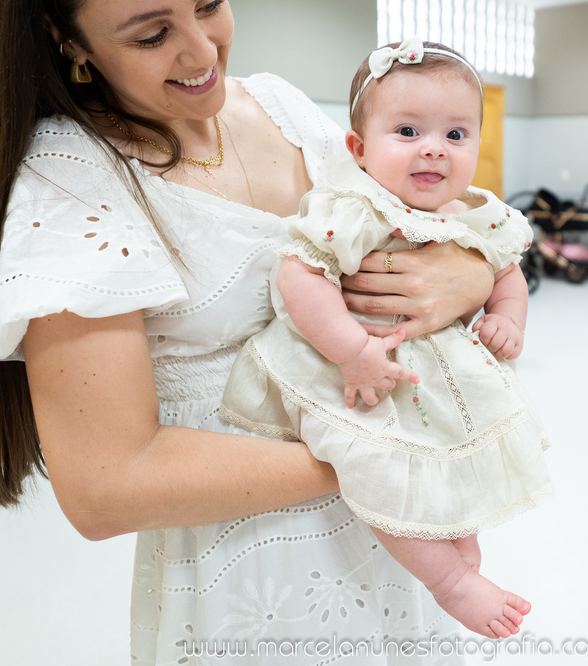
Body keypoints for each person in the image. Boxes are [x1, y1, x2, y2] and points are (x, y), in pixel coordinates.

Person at [0, 0, 497, 663]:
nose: (200, 49)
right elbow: (107, 482)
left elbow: (406, 222)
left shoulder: (281, 106)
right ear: (66, 38)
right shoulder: (74, 180)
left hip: (392, 532)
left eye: (210, 2)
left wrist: (473, 274)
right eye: (151, 35)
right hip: (251, 564)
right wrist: (369, 458)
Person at [219, 38, 552, 639]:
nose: (434, 148)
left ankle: (461, 545)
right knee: (377, 464)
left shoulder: (477, 214)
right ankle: (448, 581)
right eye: (407, 130)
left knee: (455, 454)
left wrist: (507, 316)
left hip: (438, 383)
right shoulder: (356, 207)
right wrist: (352, 350)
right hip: (359, 368)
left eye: (456, 135)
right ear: (359, 149)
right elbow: (301, 275)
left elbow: (508, 273)